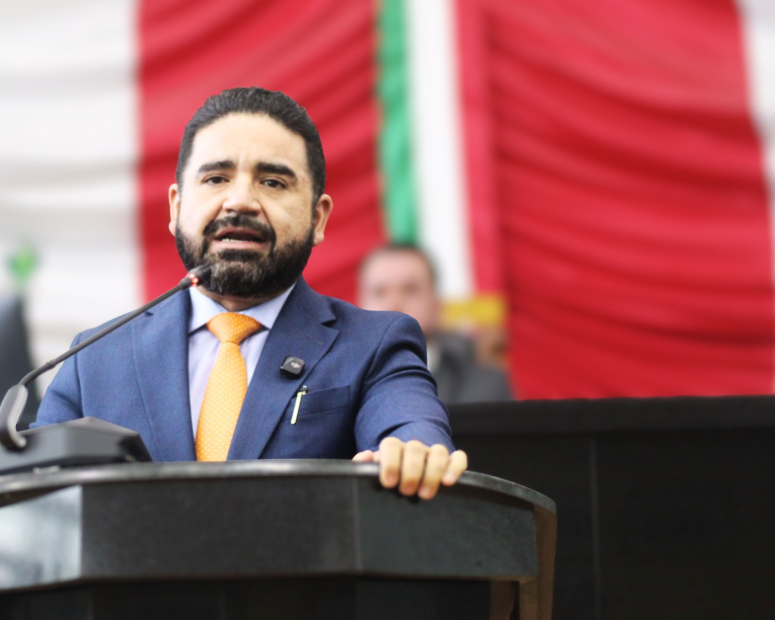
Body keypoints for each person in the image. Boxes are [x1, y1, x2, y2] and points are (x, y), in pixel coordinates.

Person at [36, 87, 467, 499]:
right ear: (176, 208)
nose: (240, 201)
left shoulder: (374, 345)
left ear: (317, 218)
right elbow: (35, 500)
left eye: (273, 182)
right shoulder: (93, 359)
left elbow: (409, 428)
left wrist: (412, 451)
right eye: (216, 178)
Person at [358, 245, 513, 404]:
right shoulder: (342, 383)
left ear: (436, 304)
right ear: (358, 306)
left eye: (410, 290)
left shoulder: (484, 385)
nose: (394, 303)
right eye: (379, 292)